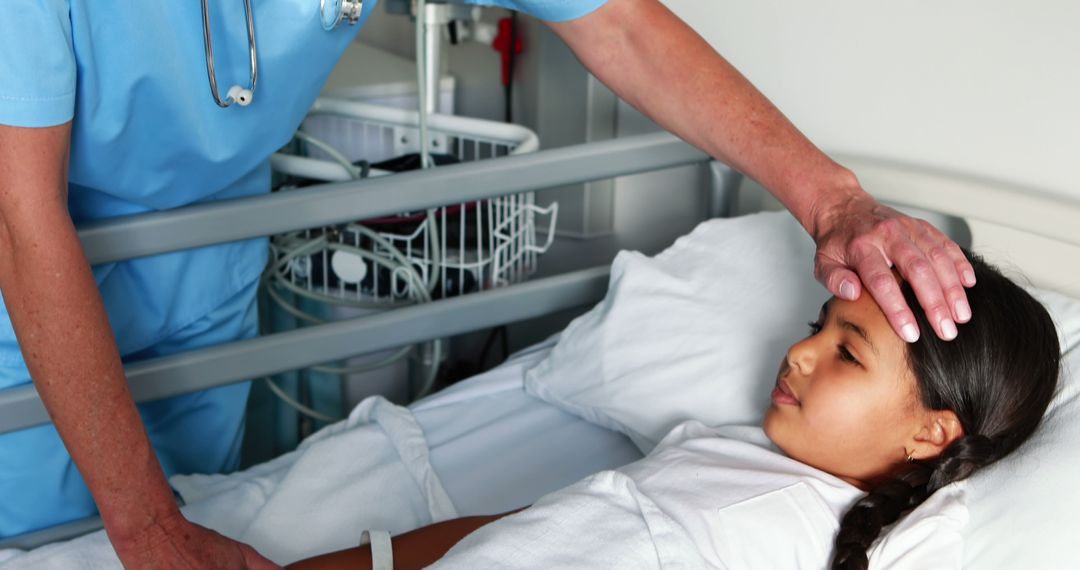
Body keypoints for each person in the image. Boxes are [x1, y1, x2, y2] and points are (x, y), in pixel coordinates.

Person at [0, 0, 973, 565]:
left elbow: (622, 29)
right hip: (27, 243)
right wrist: (147, 524)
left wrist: (836, 202)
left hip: (213, 231)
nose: (799, 351)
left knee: (194, 489)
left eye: (844, 344)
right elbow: (20, 212)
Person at [287, 251, 1059, 569]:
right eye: (816, 328)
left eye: (847, 352)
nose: (799, 352)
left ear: (932, 432)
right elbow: (537, 525)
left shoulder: (788, 540)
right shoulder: (727, 447)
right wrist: (370, 560)